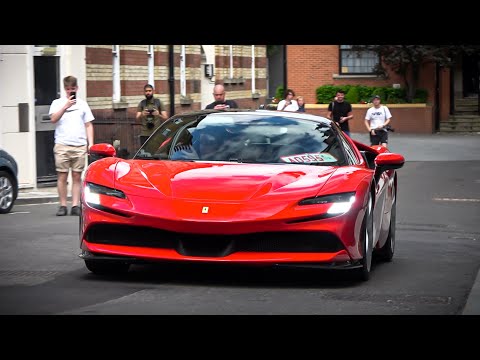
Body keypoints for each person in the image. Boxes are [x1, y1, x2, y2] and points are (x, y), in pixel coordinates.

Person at [49, 75, 94, 216]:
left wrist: (90, 144)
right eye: (68, 89)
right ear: (64, 89)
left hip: (79, 145)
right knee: (62, 175)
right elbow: (53, 119)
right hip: (62, 144)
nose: (70, 91)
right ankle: (62, 205)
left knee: (76, 176)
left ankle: (75, 205)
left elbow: (88, 125)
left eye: (72, 89)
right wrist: (66, 106)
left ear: (77, 88)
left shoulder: (83, 104)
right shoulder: (57, 103)